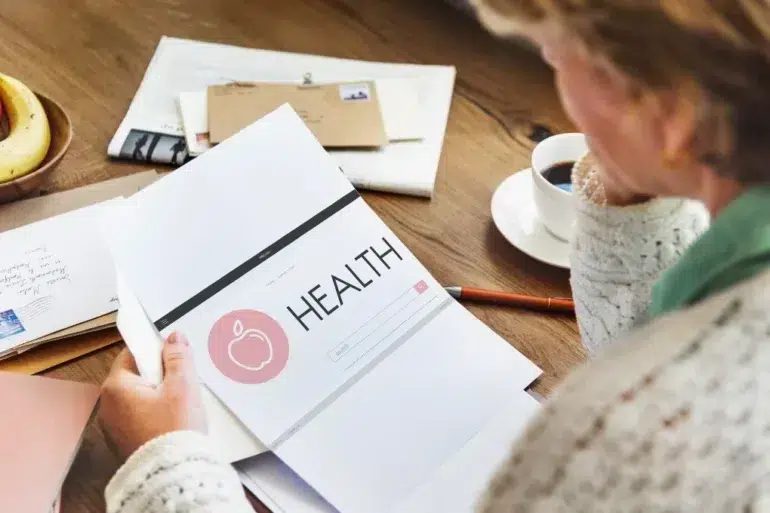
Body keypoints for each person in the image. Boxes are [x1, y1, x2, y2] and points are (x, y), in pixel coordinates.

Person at [98, 1, 770, 511]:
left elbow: (673, 401)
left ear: (672, 113)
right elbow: (674, 337)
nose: (546, 62)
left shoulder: (617, 443)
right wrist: (632, 183)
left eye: (560, 47)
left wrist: (168, 468)